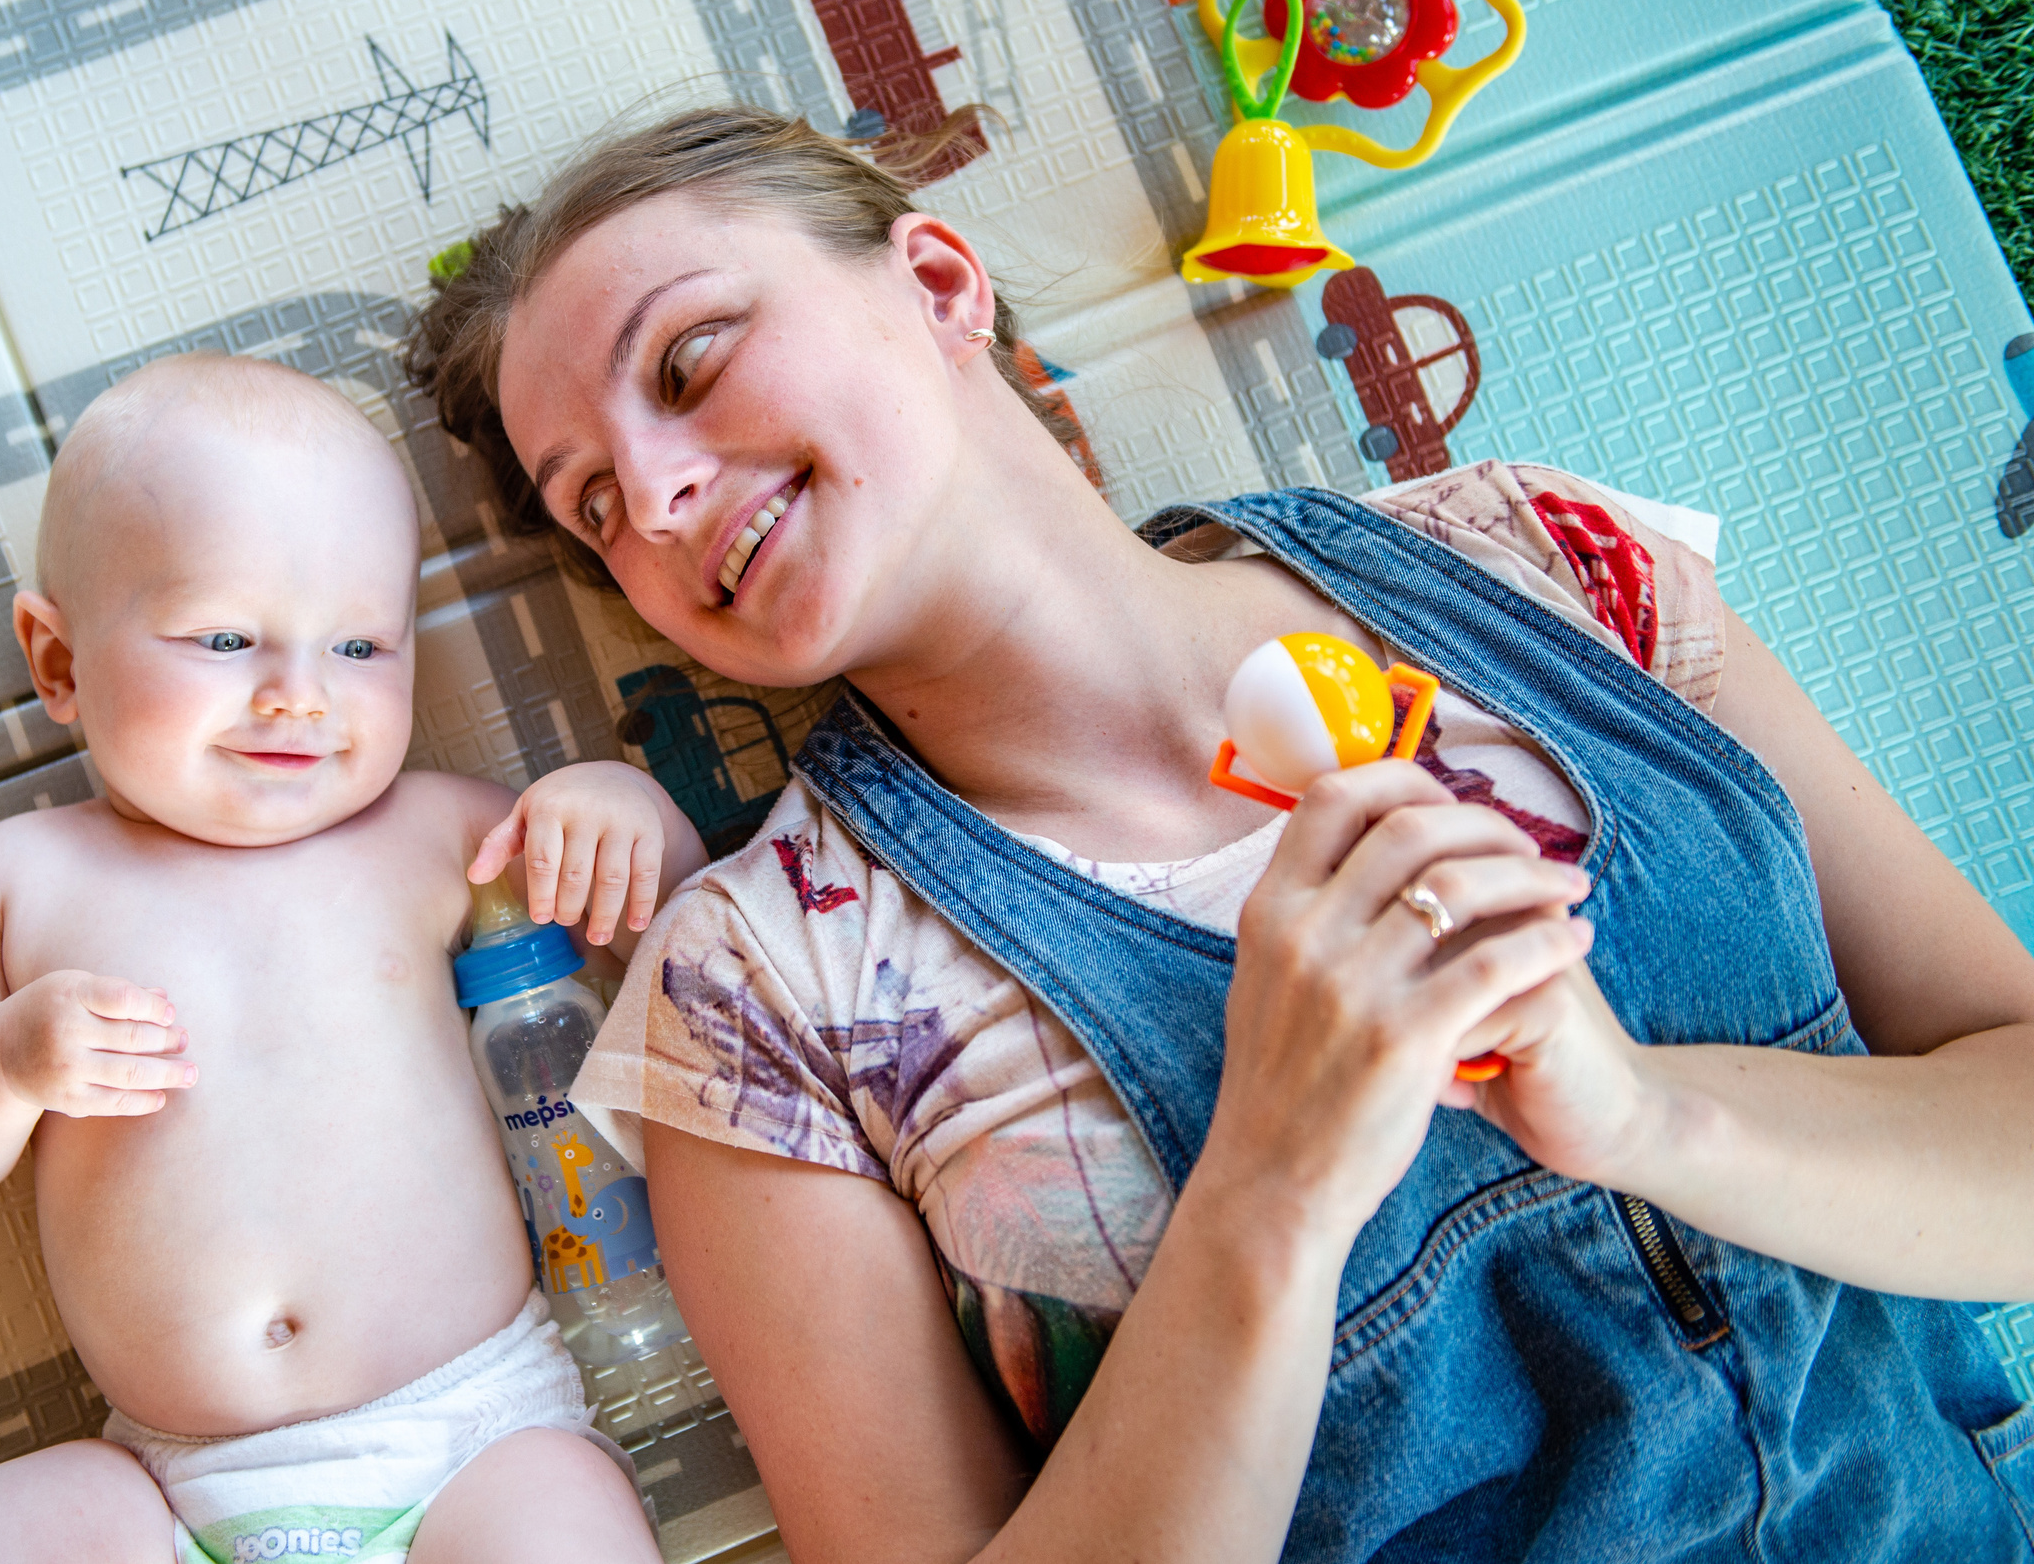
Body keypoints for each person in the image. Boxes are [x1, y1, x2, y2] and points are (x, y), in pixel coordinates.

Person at [402, 108, 2034, 1561]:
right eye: (593, 503)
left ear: (943, 281)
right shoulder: (754, 995)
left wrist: (1645, 1112)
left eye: (687, 365)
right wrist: (1271, 1187)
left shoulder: (1538, 556)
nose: (662, 492)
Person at [0, 353, 702, 1564]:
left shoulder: (442, 835)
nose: (300, 696)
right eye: (226, 635)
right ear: (60, 663)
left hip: (476, 1433)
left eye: (360, 648)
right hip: (166, 1480)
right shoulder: (23, 879)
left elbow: (683, 925)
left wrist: (619, 804)